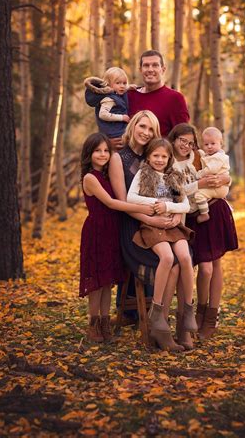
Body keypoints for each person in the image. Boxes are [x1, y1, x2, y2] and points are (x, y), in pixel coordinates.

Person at [108, 111, 184, 352]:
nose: (146, 132)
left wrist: (176, 214)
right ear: (133, 126)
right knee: (169, 261)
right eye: (142, 126)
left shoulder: (157, 155)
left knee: (180, 260)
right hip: (133, 227)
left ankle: (161, 324)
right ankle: (160, 325)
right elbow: (123, 202)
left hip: (162, 225)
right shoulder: (118, 158)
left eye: (151, 129)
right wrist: (151, 218)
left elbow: (176, 193)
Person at [79, 132, 154, 343]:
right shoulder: (90, 178)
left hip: (112, 229)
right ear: (89, 154)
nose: (103, 154)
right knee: (96, 281)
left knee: (107, 281)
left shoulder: (105, 175)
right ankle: (93, 325)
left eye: (106, 150)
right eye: (97, 151)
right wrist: (141, 208)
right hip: (97, 231)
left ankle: (105, 324)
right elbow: (111, 203)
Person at [168, 123, 238, 342]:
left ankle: (210, 317)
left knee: (214, 265)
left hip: (214, 210)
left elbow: (221, 169)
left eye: (190, 142)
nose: (186, 145)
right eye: (182, 140)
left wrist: (226, 179)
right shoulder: (167, 161)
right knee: (204, 267)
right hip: (191, 216)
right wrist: (201, 183)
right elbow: (176, 190)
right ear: (173, 140)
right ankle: (199, 311)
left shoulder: (199, 155)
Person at [126, 138, 198, 347]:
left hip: (172, 226)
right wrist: (155, 203)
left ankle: (188, 310)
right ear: (148, 157)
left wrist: (168, 208)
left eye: (163, 156)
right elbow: (131, 198)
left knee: (185, 257)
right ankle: (156, 311)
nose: (159, 160)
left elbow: (184, 204)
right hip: (153, 227)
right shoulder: (143, 174)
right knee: (167, 257)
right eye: (155, 155)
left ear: (169, 159)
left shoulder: (171, 178)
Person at [127, 50, 190, 136]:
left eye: (155, 65)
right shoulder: (130, 95)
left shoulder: (175, 98)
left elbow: (183, 136)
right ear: (140, 70)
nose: (150, 69)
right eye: (146, 65)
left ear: (163, 69)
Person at [84, 67, 130, 143]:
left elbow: (123, 89)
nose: (122, 86)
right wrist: (122, 117)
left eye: (124, 83)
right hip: (113, 133)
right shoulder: (109, 99)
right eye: (118, 83)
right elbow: (103, 114)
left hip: (118, 131)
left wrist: (130, 87)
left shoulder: (116, 95)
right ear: (108, 84)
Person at [194, 127, 230, 223]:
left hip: (219, 187)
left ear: (221, 143)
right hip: (218, 186)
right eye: (206, 144)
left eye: (213, 143)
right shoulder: (210, 155)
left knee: (199, 195)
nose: (209, 146)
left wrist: (199, 174)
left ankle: (204, 214)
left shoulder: (218, 157)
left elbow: (211, 169)